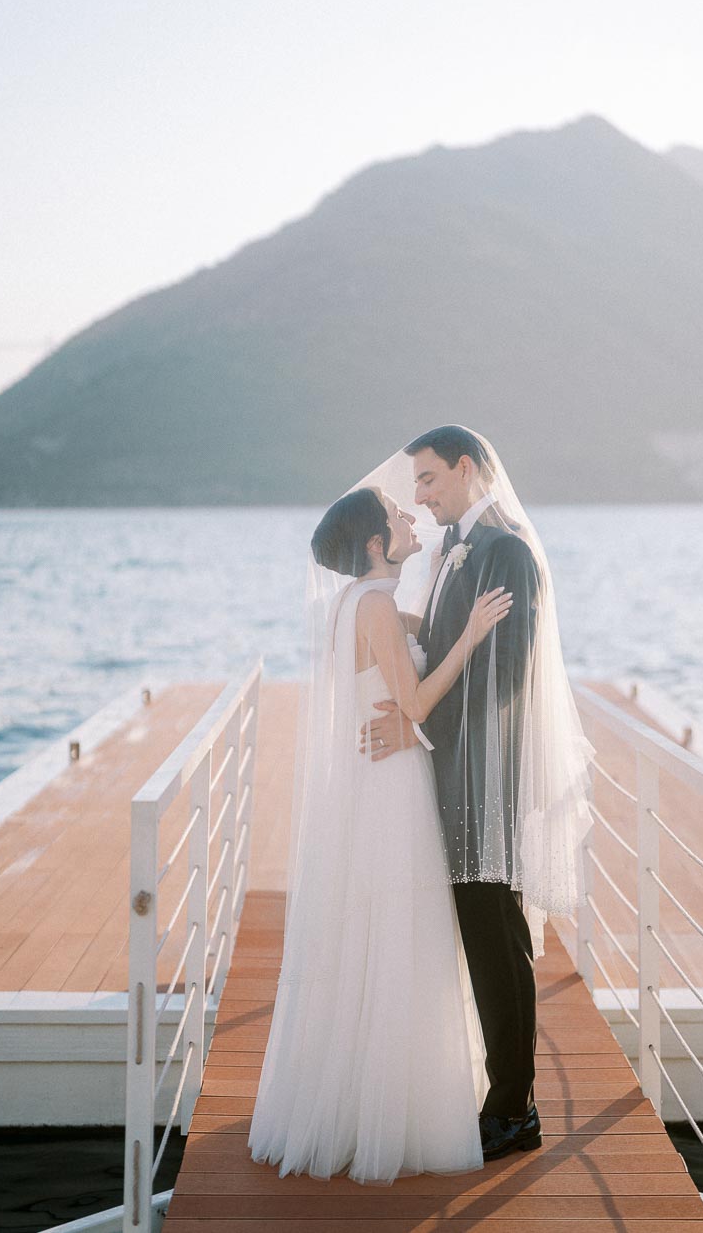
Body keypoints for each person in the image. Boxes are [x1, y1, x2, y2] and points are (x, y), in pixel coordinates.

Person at [248, 485, 512, 1183]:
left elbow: (401, 649)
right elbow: (417, 702)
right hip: (393, 790)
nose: (410, 516)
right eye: (397, 517)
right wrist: (474, 636)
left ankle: (364, 1099)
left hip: (372, 785)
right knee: (401, 940)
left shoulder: (354, 605)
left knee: (369, 939)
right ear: (375, 544)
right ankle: (396, 1116)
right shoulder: (373, 607)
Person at [356, 426, 593, 1161]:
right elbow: (449, 646)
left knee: (498, 942)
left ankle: (513, 1109)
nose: (419, 498)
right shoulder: (462, 549)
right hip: (456, 772)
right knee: (484, 938)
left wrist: (415, 727)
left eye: (426, 481)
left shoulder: (507, 551)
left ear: (465, 468)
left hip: (483, 780)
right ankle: (500, 1098)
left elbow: (507, 682)